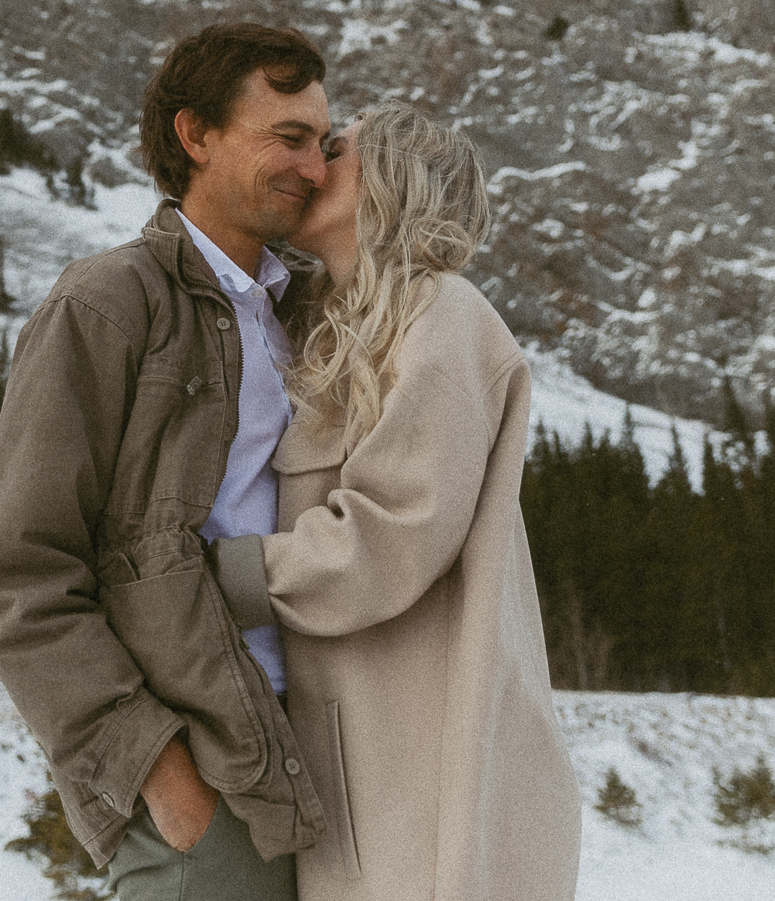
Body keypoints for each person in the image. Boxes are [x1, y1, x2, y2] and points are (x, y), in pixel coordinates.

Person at [0, 22, 335, 900]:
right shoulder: (106, 306)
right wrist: (159, 773)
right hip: (206, 782)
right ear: (195, 134)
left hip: (320, 758)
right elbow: (18, 579)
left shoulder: (307, 311)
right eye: (287, 138)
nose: (315, 168)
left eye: (323, 143)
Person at [207, 101, 582, 900]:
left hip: (426, 753)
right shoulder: (317, 324)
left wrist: (220, 576)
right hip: (362, 756)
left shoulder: (442, 317)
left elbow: (389, 534)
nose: (312, 163)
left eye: (337, 149)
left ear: (391, 183)